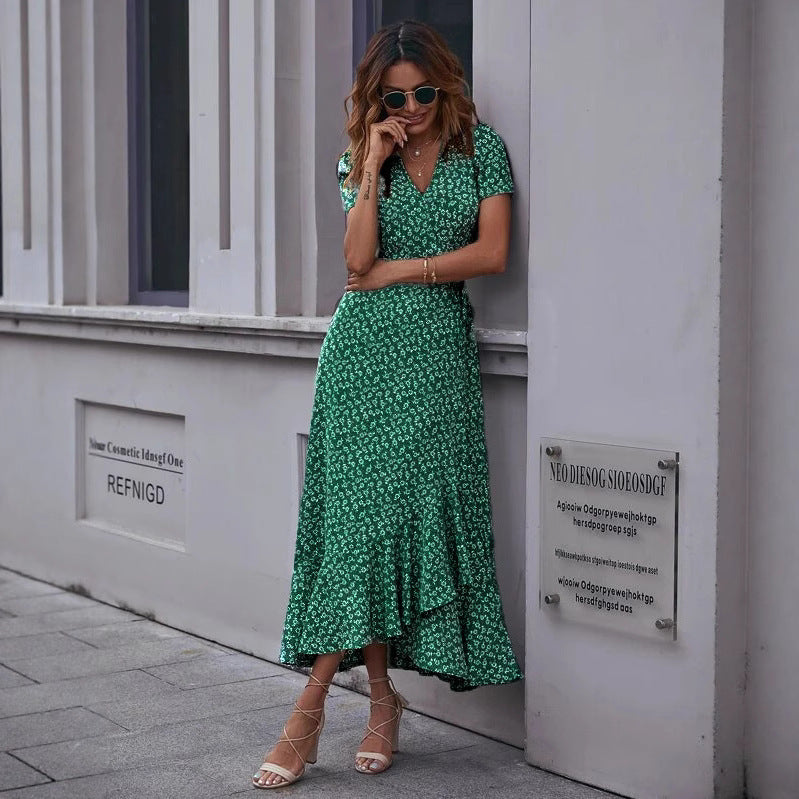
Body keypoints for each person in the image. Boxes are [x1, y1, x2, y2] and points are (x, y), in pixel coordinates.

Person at [252, 19, 523, 789]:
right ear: (376, 100)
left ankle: (309, 710)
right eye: (395, 98)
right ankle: (372, 699)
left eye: (423, 94)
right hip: (360, 359)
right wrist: (372, 166)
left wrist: (402, 272)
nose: (411, 109)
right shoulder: (360, 158)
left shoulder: (482, 149)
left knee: (390, 522)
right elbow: (354, 258)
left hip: (434, 357)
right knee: (360, 528)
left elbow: (492, 253)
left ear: (447, 87)